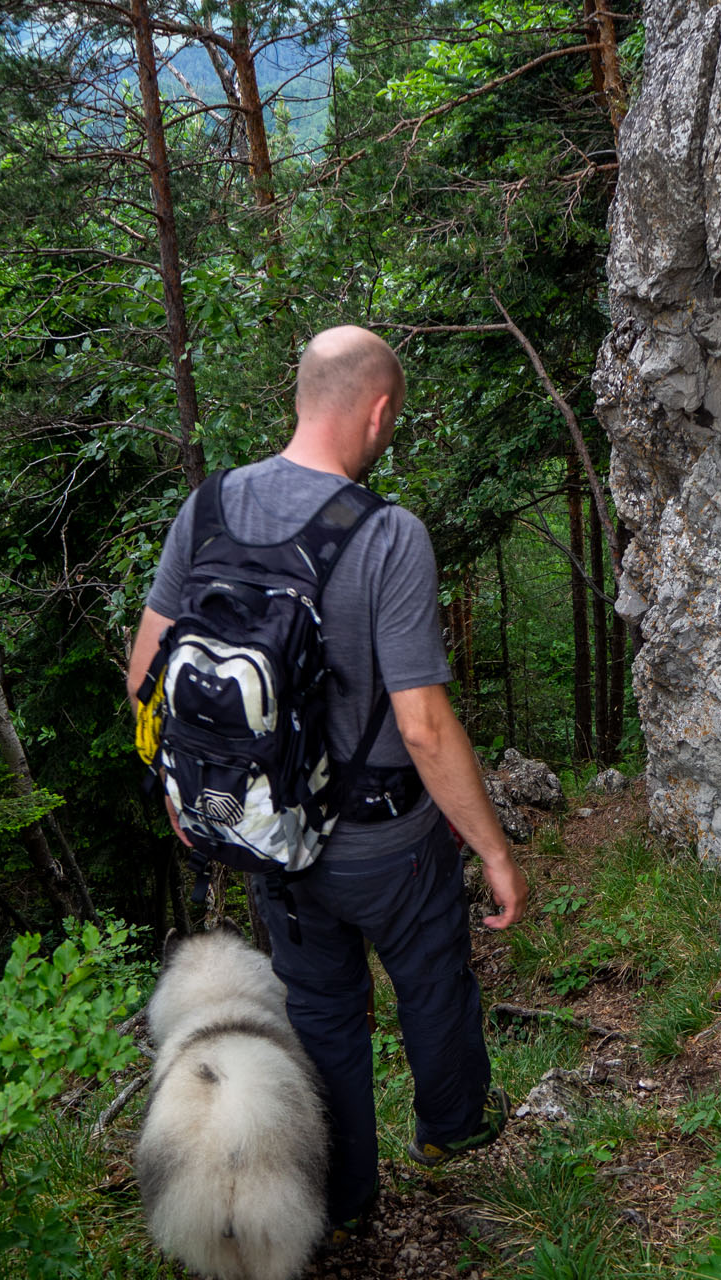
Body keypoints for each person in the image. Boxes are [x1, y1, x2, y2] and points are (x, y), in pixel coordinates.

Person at [125, 325, 528, 1242]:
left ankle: (345, 1200)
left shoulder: (211, 507)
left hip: (271, 838)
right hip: (390, 843)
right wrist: (493, 850)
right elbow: (424, 725)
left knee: (322, 1017)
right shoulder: (389, 535)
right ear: (378, 410)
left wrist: (190, 797)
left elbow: (146, 665)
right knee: (432, 980)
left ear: (301, 395)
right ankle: (451, 1133)